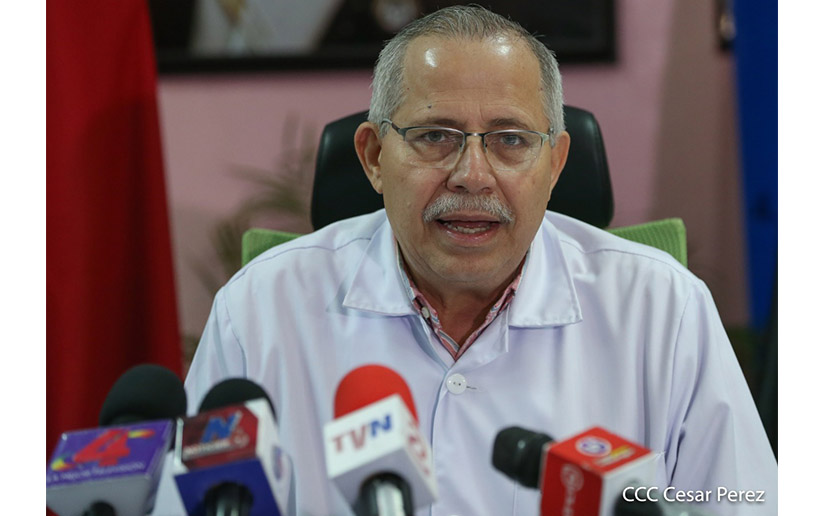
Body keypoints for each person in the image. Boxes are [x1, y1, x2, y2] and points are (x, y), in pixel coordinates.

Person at [172, 5, 777, 515]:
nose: (472, 175)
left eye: (511, 140)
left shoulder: (663, 310)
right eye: (435, 136)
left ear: (555, 164)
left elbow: (743, 500)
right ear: (374, 156)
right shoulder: (259, 311)